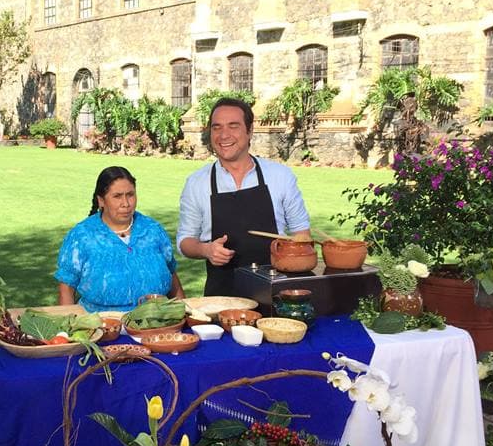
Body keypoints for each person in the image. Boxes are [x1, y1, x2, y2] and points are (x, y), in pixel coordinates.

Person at [177, 97, 311, 296]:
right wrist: (206, 250)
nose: (224, 135)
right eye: (216, 127)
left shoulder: (280, 176)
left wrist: (291, 254)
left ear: (249, 131)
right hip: (222, 299)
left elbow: (303, 235)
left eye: (233, 126)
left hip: (277, 295)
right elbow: (185, 241)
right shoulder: (197, 182)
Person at [56, 166, 185, 311]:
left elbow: (172, 274)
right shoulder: (82, 236)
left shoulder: (153, 230)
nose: (126, 203)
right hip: (101, 327)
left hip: (155, 323)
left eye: (130, 195)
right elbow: (66, 289)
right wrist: (68, 328)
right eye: (117, 196)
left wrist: (183, 313)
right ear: (101, 201)